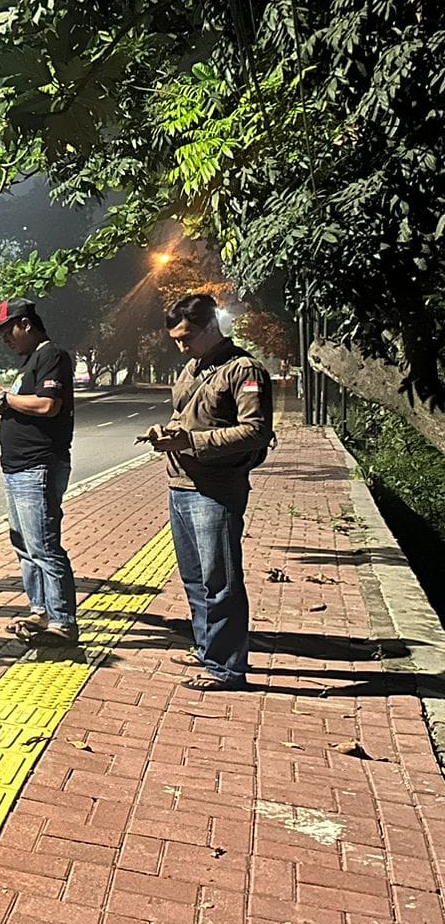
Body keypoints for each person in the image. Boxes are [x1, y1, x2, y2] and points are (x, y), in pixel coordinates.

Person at [146, 293, 274, 692]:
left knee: (221, 582)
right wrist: (166, 433)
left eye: (187, 338)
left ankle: (226, 668)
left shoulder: (243, 370)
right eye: (176, 341)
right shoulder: (191, 369)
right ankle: (208, 649)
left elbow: (256, 430)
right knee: (195, 579)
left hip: (216, 489)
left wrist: (192, 442)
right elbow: (184, 417)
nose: (182, 348)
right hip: (180, 484)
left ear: (211, 327)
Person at [0, 298, 79, 645]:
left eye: (7, 331)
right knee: (24, 545)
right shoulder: (29, 362)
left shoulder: (52, 355)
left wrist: (4, 397)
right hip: (17, 468)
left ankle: (62, 622)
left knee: (44, 546)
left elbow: (48, 405)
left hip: (39, 465)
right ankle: (40, 610)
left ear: (26, 324)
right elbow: (20, 410)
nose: (5, 339)